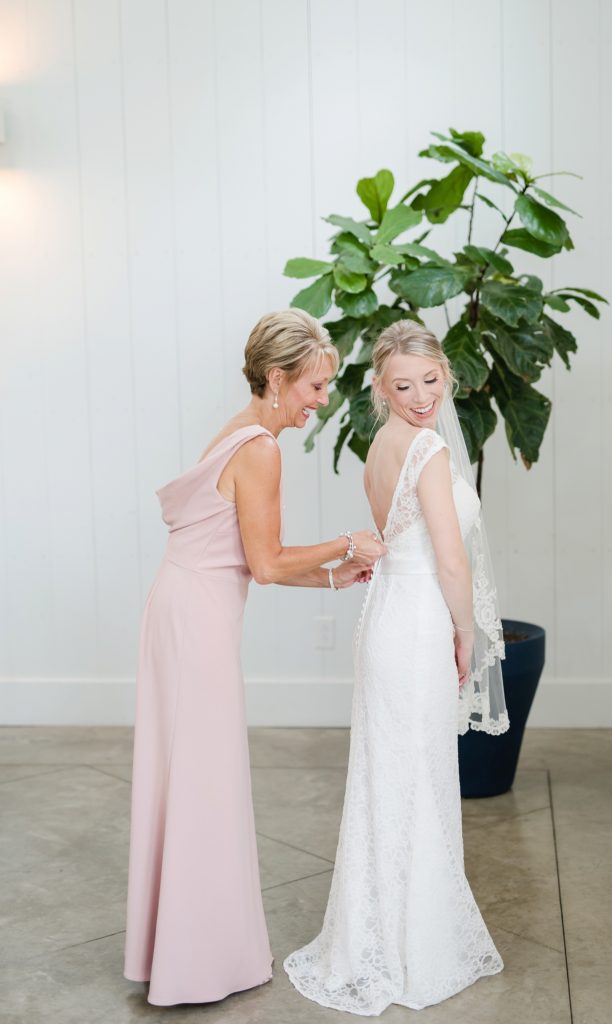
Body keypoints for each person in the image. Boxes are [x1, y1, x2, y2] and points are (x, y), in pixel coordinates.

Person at [124, 309, 385, 1006]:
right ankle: (199, 960)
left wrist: (334, 577)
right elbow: (265, 563)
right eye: (315, 386)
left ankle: (184, 950)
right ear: (276, 377)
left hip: (179, 606)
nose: (321, 400)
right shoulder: (261, 450)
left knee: (189, 773)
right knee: (204, 778)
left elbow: (247, 559)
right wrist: (348, 543)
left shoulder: (237, 435)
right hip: (198, 622)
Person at [284, 319, 509, 1015]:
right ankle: (411, 948)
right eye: (403, 386)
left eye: (430, 381)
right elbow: (450, 560)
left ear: (447, 375)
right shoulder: (428, 449)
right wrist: (465, 634)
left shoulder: (378, 447)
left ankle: (376, 936)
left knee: (390, 777)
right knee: (418, 778)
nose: (420, 396)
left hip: (386, 616)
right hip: (416, 625)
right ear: (380, 388)